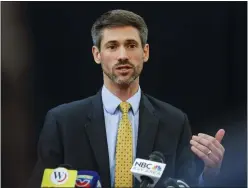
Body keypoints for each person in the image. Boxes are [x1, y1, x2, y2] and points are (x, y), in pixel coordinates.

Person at [27, 9, 225, 188]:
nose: (123, 55)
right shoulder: (63, 121)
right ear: (97, 54)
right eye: (112, 46)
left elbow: (186, 184)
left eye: (131, 45)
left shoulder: (174, 121)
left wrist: (210, 174)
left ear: (145, 52)